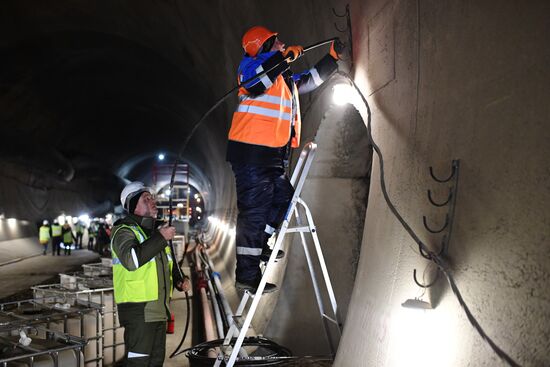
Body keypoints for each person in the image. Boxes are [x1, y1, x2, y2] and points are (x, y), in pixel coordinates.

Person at [227, 26, 344, 293]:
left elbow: (308, 81)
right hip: (251, 154)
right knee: (254, 213)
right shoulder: (250, 66)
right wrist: (283, 59)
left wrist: (332, 59)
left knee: (283, 200)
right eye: (275, 41)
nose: (281, 43)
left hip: (271, 157)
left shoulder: (281, 77)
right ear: (263, 45)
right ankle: (247, 275)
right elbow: (256, 83)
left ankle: (262, 248)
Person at [111, 181, 190, 366]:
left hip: (159, 311)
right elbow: (132, 261)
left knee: (155, 363)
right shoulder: (123, 231)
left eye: (152, 197)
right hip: (139, 312)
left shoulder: (153, 233)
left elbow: (167, 265)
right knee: (138, 364)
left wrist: (179, 280)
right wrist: (161, 237)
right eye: (146, 198)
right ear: (132, 205)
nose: (152, 201)